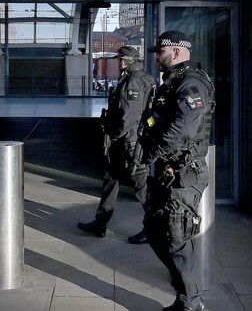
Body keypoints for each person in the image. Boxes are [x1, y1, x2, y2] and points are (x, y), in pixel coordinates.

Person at [138, 31, 215, 311]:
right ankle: (184, 288)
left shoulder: (191, 83)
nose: (157, 57)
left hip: (185, 173)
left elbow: (183, 130)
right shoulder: (172, 83)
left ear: (177, 51)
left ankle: (190, 301)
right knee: (154, 230)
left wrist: (150, 154)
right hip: (167, 170)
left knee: (176, 237)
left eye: (161, 52)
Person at [77, 45, 156, 243]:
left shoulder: (132, 81)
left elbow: (129, 116)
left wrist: (115, 135)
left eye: (119, 60)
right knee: (111, 179)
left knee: (141, 185)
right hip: (128, 140)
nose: (117, 63)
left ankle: (154, 229)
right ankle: (100, 223)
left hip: (128, 142)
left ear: (125, 62)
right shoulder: (143, 77)